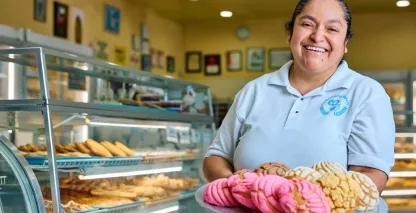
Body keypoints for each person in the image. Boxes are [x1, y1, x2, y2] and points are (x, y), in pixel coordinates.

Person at [203, 0, 395, 210]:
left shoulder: (366, 93)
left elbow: (371, 176)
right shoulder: (254, 91)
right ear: (290, 33)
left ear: (345, 43)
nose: (318, 36)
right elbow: (216, 157)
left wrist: (304, 205)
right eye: (307, 24)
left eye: (332, 28)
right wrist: (239, 189)